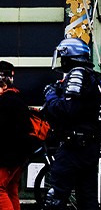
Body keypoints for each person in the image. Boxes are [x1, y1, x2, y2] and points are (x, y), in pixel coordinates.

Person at [42, 38, 101, 210]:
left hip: (73, 147)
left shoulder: (78, 74)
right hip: (91, 146)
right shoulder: (97, 77)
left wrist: (50, 95)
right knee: (87, 198)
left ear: (68, 56)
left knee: (55, 197)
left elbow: (67, 109)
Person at [0, 61, 32, 210]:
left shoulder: (5, 102)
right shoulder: (17, 98)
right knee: (11, 190)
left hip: (7, 157)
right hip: (20, 156)